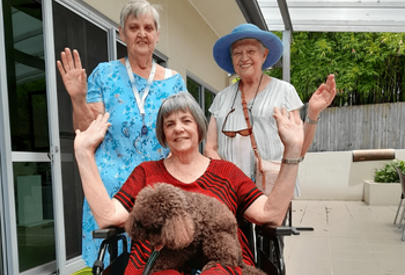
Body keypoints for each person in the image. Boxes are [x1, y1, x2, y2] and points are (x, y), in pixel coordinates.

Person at [73, 91, 304, 275]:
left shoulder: (226, 173)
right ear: (163, 134)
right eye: (169, 124)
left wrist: (292, 149)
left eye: (186, 120)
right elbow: (108, 217)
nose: (179, 128)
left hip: (221, 265)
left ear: (199, 128)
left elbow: (270, 213)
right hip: (155, 267)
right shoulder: (146, 173)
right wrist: (84, 154)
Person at [56, 0, 186, 266]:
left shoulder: (174, 82)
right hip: (110, 191)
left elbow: (184, 137)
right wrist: (79, 99)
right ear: (121, 32)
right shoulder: (104, 75)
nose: (142, 33)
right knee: (113, 265)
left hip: (157, 190)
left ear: (157, 35)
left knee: (160, 264)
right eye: (134, 27)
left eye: (148, 27)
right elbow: (86, 132)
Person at [205, 23, 336, 195]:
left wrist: (313, 112)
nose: (244, 58)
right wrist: (229, 178)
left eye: (251, 51)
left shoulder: (284, 91)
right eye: (237, 53)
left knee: (271, 222)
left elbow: (299, 149)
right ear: (232, 60)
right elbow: (210, 148)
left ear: (264, 54)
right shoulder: (222, 98)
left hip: (273, 188)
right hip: (230, 191)